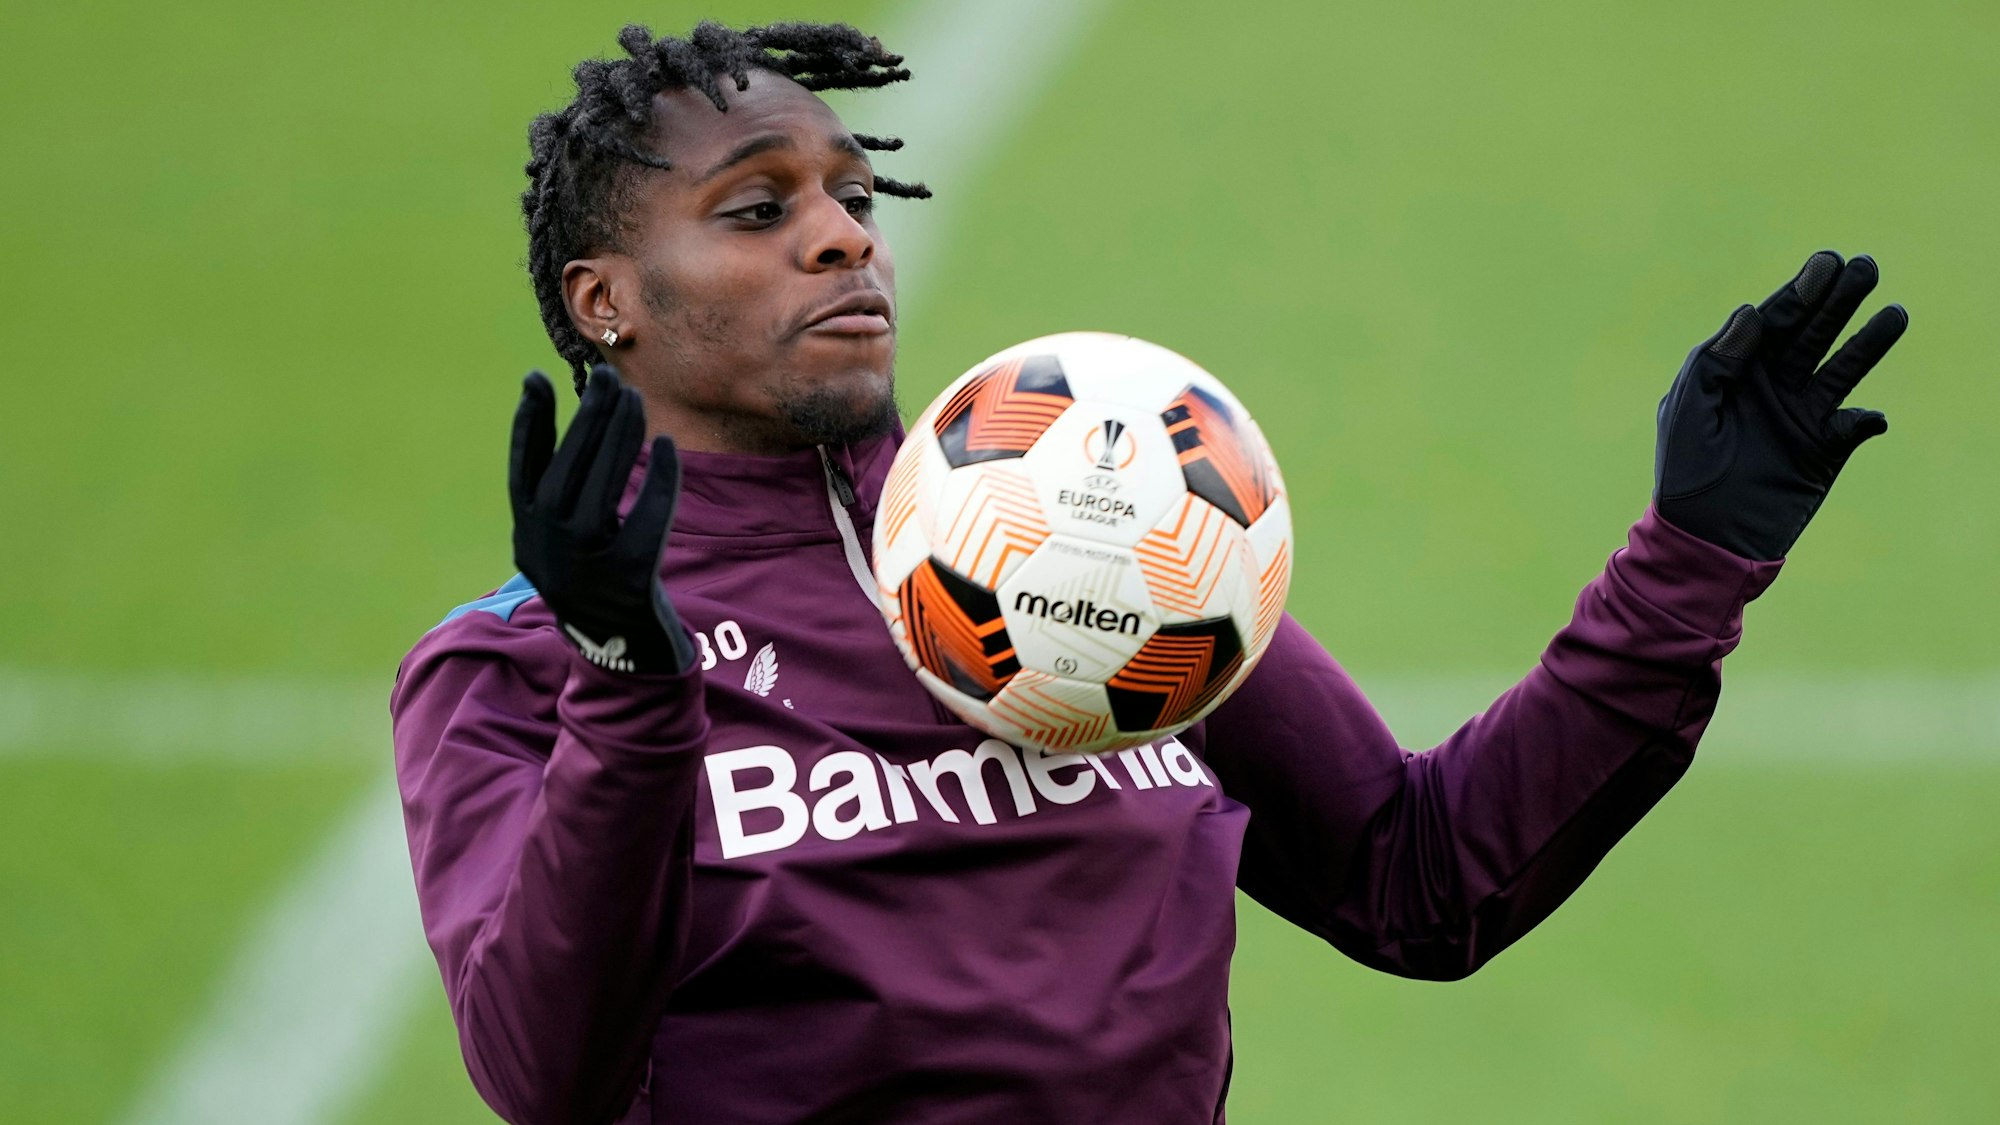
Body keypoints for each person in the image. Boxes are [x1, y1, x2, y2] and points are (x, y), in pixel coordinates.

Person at [389, 20, 1907, 1125]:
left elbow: (1422, 877)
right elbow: (548, 1074)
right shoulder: (517, 668)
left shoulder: (1070, 526)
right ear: (606, 302)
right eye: (760, 208)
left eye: (854, 194)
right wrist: (631, 690)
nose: (843, 237)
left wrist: (1696, 551)